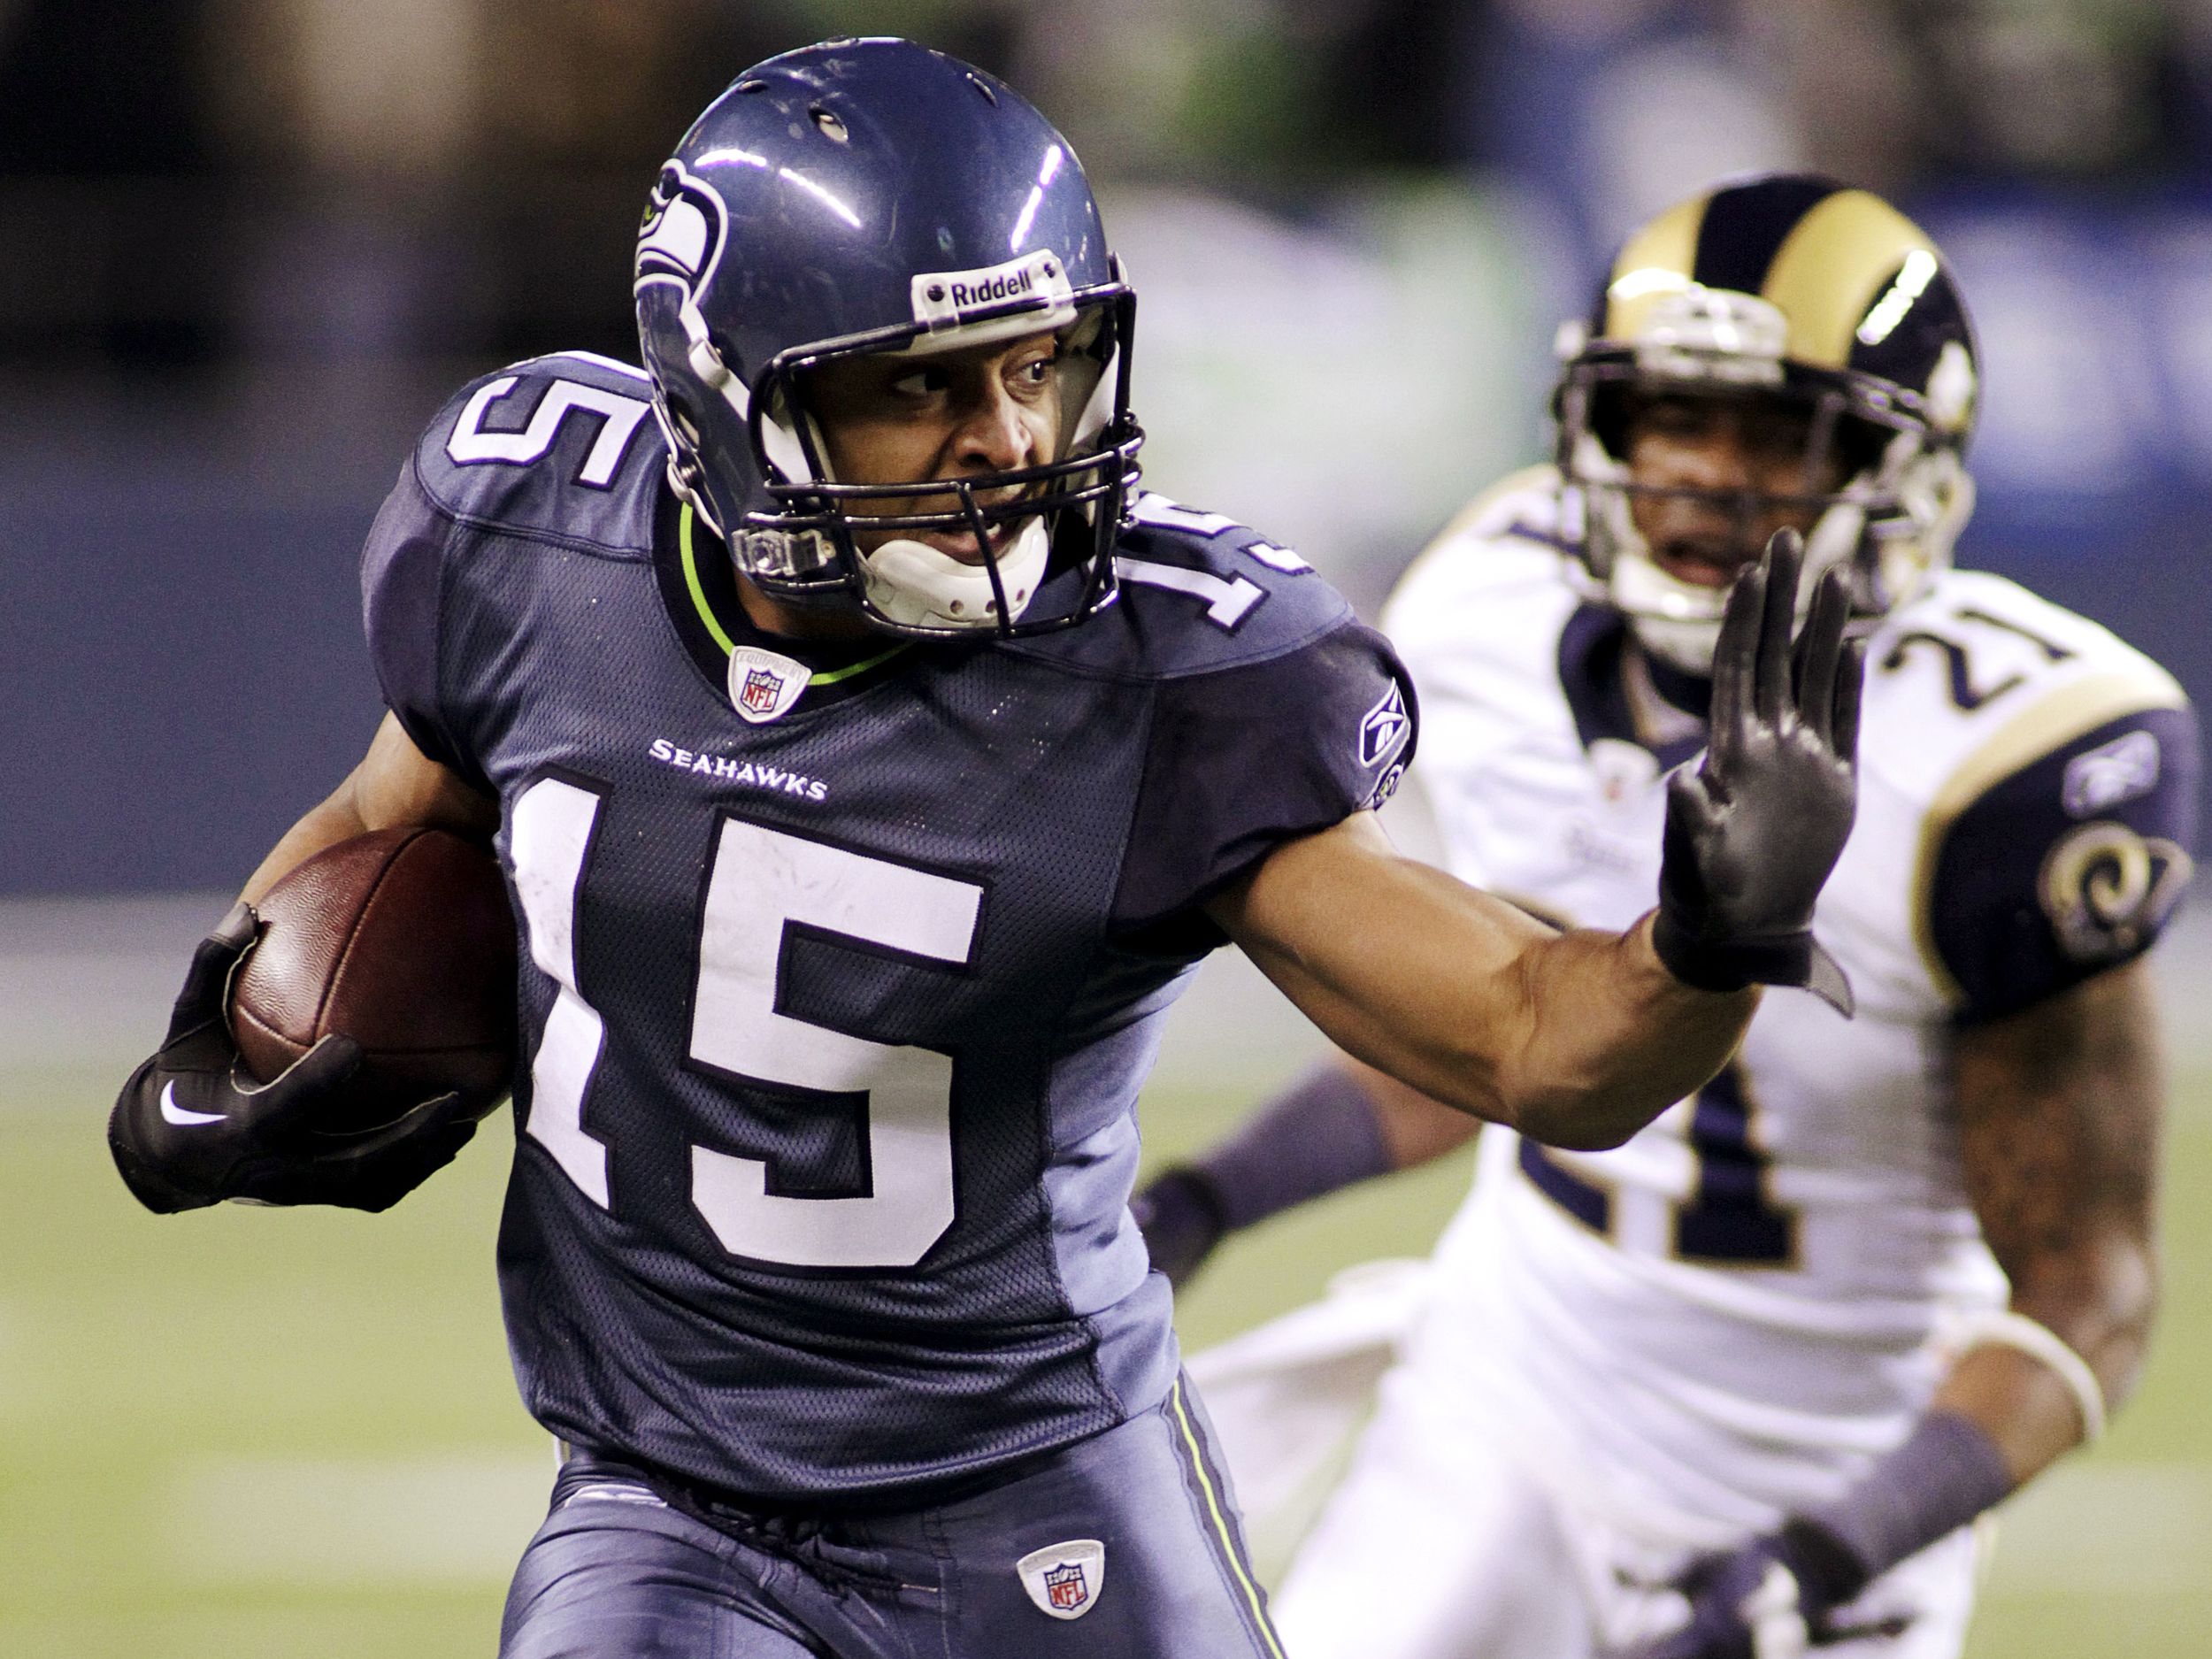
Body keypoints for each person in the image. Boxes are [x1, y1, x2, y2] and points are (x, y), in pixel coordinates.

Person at [106, 47, 1860, 1659]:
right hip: (664, 1497)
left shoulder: (1174, 673)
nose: (1006, 441)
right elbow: (381, 826)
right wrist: (227, 1043)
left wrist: (1705, 931)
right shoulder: (525, 529)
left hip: (1036, 1482)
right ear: (717, 401)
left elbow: (1534, 1044)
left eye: (1034, 366)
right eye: (920, 386)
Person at [1135, 173, 2200, 1659]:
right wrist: (1199, 1203)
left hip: (1830, 1479)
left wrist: (1823, 1560)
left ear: (1910, 462)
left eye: (1779, 430)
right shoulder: (1487, 608)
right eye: (1671, 418)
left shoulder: (2018, 761)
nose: (1706, 473)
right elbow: (1484, 1029)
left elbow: (2090, 1299)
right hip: (1515, 1395)